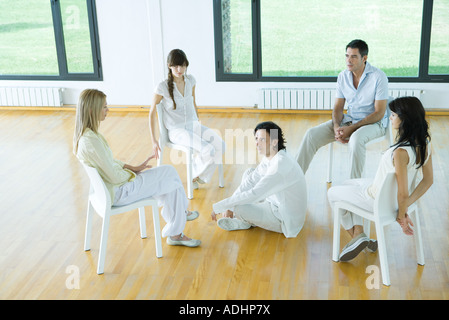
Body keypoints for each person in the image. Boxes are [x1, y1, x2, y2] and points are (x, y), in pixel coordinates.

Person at [74, 89, 201, 247]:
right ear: (92, 109)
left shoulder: (88, 136)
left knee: (169, 178)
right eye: (104, 107)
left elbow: (109, 163)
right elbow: (114, 176)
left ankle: (179, 220)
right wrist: (131, 174)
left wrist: (132, 167)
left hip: (114, 188)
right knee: (170, 175)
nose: (108, 110)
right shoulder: (91, 141)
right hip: (119, 191)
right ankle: (178, 223)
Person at [327, 96, 433, 261]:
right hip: (384, 193)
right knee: (348, 183)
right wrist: (405, 207)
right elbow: (427, 181)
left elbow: (403, 193)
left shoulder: (400, 153)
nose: (390, 118)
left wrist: (401, 215)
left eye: (393, 115)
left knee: (332, 193)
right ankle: (360, 237)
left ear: (405, 120)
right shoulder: (425, 143)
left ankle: (359, 235)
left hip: (375, 198)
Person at [296, 39, 389, 179]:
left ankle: (353, 187)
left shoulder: (378, 77)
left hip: (375, 123)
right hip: (350, 120)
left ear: (364, 58)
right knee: (311, 134)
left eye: (353, 56)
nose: (348, 60)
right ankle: (293, 180)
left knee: (356, 139)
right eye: (347, 56)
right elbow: (338, 107)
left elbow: (379, 113)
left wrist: (352, 129)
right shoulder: (343, 76)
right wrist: (336, 127)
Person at [211, 121, 307, 238]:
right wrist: (228, 206)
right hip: (273, 202)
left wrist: (222, 206)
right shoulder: (272, 156)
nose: (257, 143)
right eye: (256, 139)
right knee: (249, 173)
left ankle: (244, 222)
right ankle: (246, 218)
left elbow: (255, 193)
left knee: (238, 207)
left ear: (274, 142)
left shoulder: (279, 165)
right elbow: (251, 180)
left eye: (262, 140)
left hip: (283, 218)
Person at [149, 49, 225, 189]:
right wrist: (154, 140)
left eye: (182, 66)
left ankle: (199, 177)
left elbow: (193, 102)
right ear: (169, 65)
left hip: (193, 125)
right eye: (176, 66)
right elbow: (152, 112)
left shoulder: (191, 81)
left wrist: (198, 123)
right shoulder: (162, 87)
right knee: (209, 150)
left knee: (221, 145)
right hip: (176, 131)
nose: (179, 69)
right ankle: (193, 176)